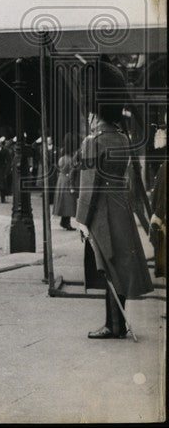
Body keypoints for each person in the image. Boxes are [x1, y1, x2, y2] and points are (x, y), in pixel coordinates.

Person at [77, 105, 153, 339]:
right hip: (121, 205)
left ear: (97, 115)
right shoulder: (122, 138)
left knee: (108, 264)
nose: (88, 119)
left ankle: (114, 326)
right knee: (118, 263)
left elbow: (89, 183)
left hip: (101, 208)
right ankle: (116, 323)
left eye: (89, 114)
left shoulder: (93, 141)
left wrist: (82, 218)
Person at [53, 133, 79, 230]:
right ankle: (66, 223)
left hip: (61, 179)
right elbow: (73, 171)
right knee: (68, 202)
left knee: (64, 201)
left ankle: (64, 221)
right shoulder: (71, 158)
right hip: (67, 179)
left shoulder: (62, 154)